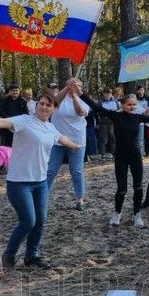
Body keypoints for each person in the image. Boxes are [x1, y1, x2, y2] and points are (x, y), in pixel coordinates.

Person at [0, 92, 80, 269]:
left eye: (49, 105)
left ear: (54, 109)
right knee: (28, 221)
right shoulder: (24, 121)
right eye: (42, 103)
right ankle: (9, 255)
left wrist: (73, 145)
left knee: (40, 221)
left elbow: (61, 138)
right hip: (19, 183)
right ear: (36, 105)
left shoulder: (51, 128)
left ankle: (31, 256)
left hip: (40, 183)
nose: (44, 107)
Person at [81, 84, 149, 228]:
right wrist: (81, 94)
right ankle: (117, 213)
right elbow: (97, 107)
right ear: (123, 105)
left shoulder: (138, 117)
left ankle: (137, 214)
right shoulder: (116, 116)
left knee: (138, 187)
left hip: (135, 156)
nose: (132, 107)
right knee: (122, 188)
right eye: (129, 104)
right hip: (120, 156)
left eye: (134, 105)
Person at [47, 79, 89, 210]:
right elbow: (55, 102)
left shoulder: (84, 100)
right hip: (57, 140)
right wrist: (67, 88)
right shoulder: (60, 97)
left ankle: (80, 199)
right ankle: (42, 197)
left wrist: (75, 95)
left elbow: (80, 112)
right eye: (72, 85)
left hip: (77, 141)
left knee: (76, 171)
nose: (74, 87)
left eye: (77, 86)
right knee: (50, 170)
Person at [96, 88, 119, 159]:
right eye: (106, 93)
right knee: (103, 138)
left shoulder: (115, 101)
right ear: (103, 94)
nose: (108, 95)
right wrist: (97, 123)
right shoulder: (100, 102)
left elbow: (119, 109)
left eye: (109, 93)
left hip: (112, 122)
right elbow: (97, 112)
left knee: (113, 138)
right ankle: (103, 154)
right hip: (103, 122)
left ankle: (114, 153)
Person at [135, 85, 149, 156]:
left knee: (146, 136)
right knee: (138, 137)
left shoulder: (147, 99)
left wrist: (148, 110)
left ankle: (146, 152)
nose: (141, 91)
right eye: (139, 90)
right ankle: (139, 151)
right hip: (137, 119)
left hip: (146, 119)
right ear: (137, 91)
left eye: (142, 90)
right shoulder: (135, 99)